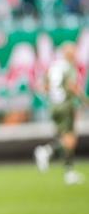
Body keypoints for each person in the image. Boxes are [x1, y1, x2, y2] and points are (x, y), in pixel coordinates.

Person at [34, 42, 89, 184]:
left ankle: (68, 172)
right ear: (68, 53)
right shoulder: (69, 67)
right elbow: (72, 85)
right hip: (65, 106)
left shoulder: (54, 66)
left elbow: (43, 86)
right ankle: (46, 151)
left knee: (68, 138)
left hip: (54, 106)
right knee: (69, 139)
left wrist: (53, 97)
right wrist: (84, 99)